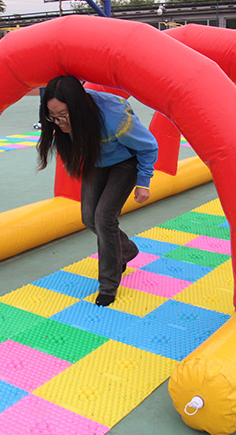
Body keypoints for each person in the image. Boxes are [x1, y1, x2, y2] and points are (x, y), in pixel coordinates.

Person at [37, 76, 158, 307]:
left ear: (78, 106)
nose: (58, 122)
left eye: (63, 115)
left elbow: (148, 147)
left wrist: (144, 182)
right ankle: (126, 249)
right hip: (97, 160)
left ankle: (108, 285)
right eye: (52, 116)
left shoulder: (114, 117)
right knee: (89, 217)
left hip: (126, 161)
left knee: (104, 218)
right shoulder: (59, 119)